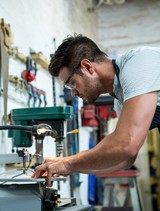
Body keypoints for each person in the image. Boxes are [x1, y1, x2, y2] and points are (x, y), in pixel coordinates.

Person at [33, 34, 160, 186]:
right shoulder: (120, 97)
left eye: (72, 83)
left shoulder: (138, 62)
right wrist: (69, 163)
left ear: (87, 66)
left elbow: (126, 144)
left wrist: (69, 163)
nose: (73, 93)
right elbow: (124, 159)